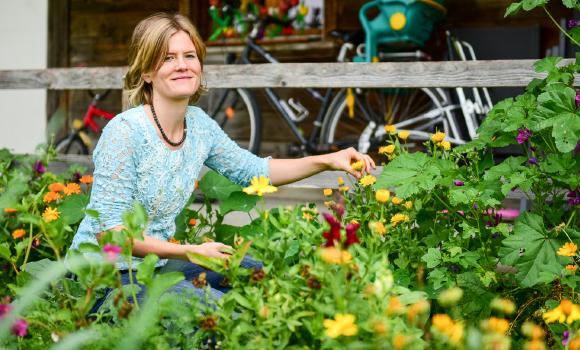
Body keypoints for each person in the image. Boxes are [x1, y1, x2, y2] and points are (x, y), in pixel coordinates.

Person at [68, 12, 375, 307]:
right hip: (100, 279)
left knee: (256, 275)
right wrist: (190, 252)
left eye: (190, 56)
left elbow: (256, 171)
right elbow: (111, 234)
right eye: (168, 57)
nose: (182, 65)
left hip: (155, 266)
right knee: (207, 306)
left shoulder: (200, 126)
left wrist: (328, 160)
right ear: (147, 71)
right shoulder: (125, 132)